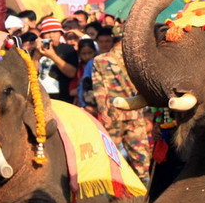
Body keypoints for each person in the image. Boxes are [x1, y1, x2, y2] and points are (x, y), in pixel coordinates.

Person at [91, 28, 151, 185]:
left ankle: (111, 189)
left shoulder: (101, 60)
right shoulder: (139, 59)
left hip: (113, 114)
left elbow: (99, 89)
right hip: (136, 113)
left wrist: (103, 111)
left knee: (110, 155)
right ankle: (144, 191)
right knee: (141, 156)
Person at [35, 16, 78, 103]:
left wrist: (52, 56)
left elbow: (72, 73)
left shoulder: (68, 49)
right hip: (40, 97)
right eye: (47, 32)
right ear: (42, 35)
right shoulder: (36, 51)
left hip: (61, 97)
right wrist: (36, 55)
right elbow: (31, 73)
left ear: (60, 34)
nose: (51, 35)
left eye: (55, 32)